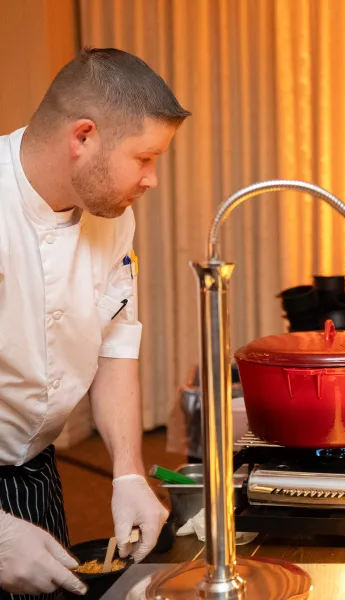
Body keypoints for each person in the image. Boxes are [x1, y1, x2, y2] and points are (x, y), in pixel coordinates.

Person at [0, 48, 189, 598]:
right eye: (145, 157)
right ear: (83, 137)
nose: (152, 179)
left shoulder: (115, 220)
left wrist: (128, 470)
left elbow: (115, 342)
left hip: (33, 470)